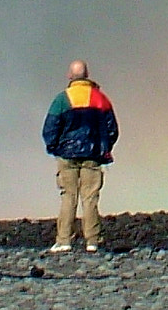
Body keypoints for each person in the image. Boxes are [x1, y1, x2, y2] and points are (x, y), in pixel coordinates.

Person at [42, 59, 119, 254]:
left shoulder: (62, 99)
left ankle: (64, 240)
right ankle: (92, 241)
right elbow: (112, 129)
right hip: (93, 155)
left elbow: (50, 128)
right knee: (90, 197)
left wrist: (54, 147)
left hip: (67, 155)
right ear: (87, 74)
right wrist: (104, 147)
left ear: (70, 76)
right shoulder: (100, 98)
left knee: (68, 196)